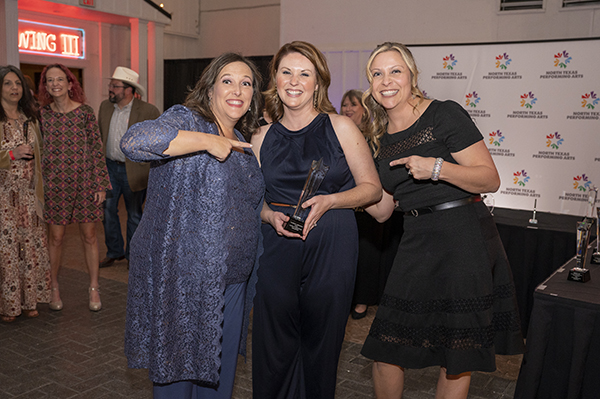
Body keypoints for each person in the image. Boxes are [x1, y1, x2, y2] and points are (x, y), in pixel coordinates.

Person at [360, 42, 524, 399]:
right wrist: (346, 196)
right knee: (385, 349)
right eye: (377, 73)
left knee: (457, 354)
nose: (386, 80)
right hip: (416, 240)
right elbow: (384, 209)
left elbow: (489, 179)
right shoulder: (379, 138)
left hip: (463, 236)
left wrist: (436, 168)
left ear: (412, 76)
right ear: (369, 83)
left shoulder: (442, 114)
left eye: (395, 71)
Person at [122, 52, 265, 399]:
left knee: (219, 382)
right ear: (210, 88)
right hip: (184, 282)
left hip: (231, 284)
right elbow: (134, 142)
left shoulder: (245, 142)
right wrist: (207, 141)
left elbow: (243, 205)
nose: (238, 89)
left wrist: (271, 216)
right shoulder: (188, 119)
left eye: (246, 83)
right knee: (176, 379)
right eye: (227, 80)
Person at [251, 41, 382, 399]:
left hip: (333, 244)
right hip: (277, 245)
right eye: (286, 72)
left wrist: (332, 201)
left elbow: (371, 190)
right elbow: (254, 200)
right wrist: (267, 214)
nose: (295, 81)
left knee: (321, 343)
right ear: (275, 80)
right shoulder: (260, 138)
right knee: (272, 342)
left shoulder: (340, 127)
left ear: (318, 82)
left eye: (304, 74)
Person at [38, 64, 111, 312]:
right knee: (56, 238)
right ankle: (53, 286)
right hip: (54, 186)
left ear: (70, 84)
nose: (55, 83)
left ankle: (93, 287)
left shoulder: (85, 113)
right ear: (46, 86)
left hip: (85, 183)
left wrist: (101, 182)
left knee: (89, 236)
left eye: (60, 79)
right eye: (50, 80)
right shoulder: (42, 116)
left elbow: (96, 149)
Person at [341, 89, 401, 320]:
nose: (347, 109)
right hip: (345, 206)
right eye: (345, 104)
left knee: (366, 256)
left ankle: (362, 300)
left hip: (369, 207)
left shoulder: (375, 136)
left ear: (365, 110)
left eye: (353, 105)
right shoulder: (337, 133)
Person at [0, 65, 50, 322]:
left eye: (18, 83)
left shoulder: (30, 120)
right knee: (6, 251)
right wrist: (11, 154)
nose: (14, 88)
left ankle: (29, 300)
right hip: (3, 199)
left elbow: (40, 160)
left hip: (29, 198)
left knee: (29, 248)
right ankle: (8, 305)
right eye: (8, 83)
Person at [98, 66, 160, 269]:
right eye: (111, 85)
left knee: (134, 214)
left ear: (128, 89)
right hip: (108, 168)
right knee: (108, 211)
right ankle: (114, 251)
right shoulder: (105, 107)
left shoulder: (148, 110)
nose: (110, 89)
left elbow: (155, 141)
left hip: (134, 170)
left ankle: (133, 256)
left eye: (115, 86)